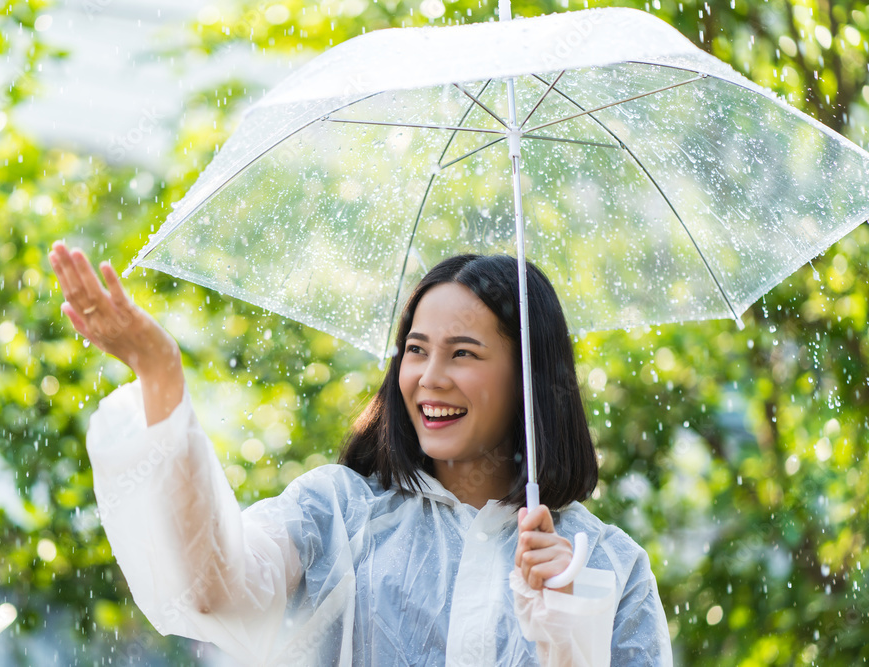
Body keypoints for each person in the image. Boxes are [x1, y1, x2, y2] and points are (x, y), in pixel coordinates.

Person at [49, 240, 673, 666]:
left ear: (528, 379)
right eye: (417, 350)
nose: (429, 377)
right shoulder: (337, 515)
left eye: (463, 353)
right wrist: (161, 377)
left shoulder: (609, 569)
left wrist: (570, 633)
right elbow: (212, 585)